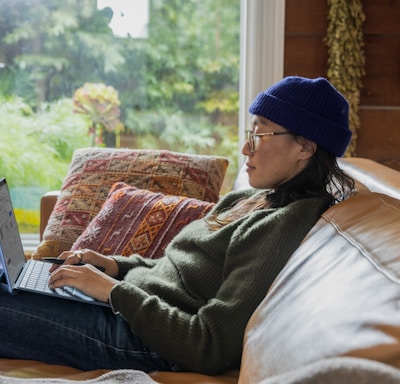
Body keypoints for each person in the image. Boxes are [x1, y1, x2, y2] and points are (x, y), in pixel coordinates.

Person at [0, 76, 355, 375]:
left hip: (143, 339)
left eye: (261, 136)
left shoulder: (286, 224)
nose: (246, 149)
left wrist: (113, 290)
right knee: (12, 275)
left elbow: (210, 346)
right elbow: (178, 272)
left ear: (305, 147)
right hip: (126, 308)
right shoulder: (248, 199)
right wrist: (114, 266)